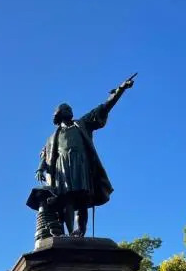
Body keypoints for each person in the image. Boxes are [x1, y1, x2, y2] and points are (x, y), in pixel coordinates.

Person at [36, 77, 135, 237]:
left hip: (81, 165)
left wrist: (120, 90)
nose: (70, 110)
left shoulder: (81, 124)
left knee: (82, 200)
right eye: (66, 109)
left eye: (70, 108)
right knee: (67, 200)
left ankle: (79, 231)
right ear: (59, 114)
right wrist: (41, 167)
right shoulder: (52, 137)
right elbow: (44, 153)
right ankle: (67, 234)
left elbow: (102, 109)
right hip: (62, 168)